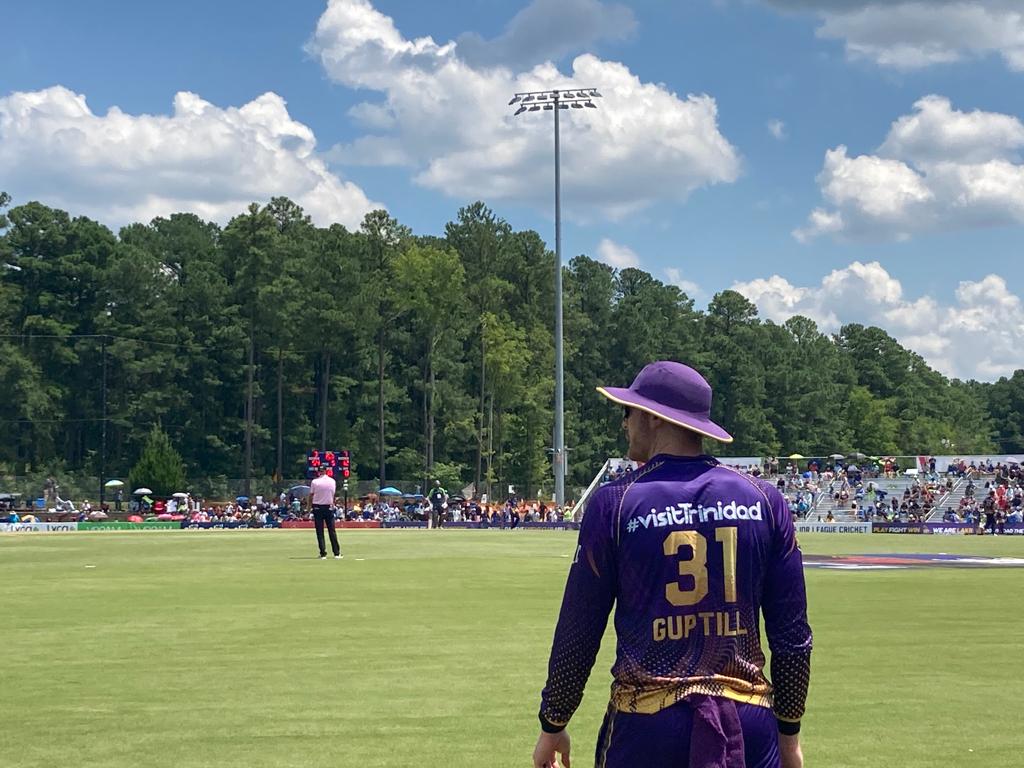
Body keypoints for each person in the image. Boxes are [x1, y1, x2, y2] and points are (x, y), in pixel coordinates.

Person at [532, 361, 812, 768]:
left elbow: (579, 628)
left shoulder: (615, 503)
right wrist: (788, 735)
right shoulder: (765, 500)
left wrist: (553, 722)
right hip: (748, 723)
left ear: (652, 417)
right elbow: (793, 637)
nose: (624, 424)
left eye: (627, 412)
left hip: (648, 726)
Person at [309, 466, 342, 559]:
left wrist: (308, 508)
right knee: (332, 531)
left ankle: (323, 553)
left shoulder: (315, 482)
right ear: (326, 471)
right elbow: (333, 494)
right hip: (328, 507)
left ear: (319, 472)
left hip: (317, 507)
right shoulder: (332, 481)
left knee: (320, 531)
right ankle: (337, 553)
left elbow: (311, 496)